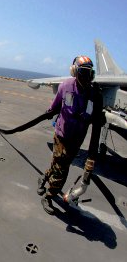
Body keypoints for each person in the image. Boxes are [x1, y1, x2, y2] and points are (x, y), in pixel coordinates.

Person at [37, 56, 102, 215]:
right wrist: (47, 114)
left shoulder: (95, 95)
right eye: (82, 72)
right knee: (62, 169)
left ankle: (44, 178)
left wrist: (92, 156)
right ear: (75, 72)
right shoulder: (65, 86)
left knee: (57, 163)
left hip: (77, 139)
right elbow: (54, 107)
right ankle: (48, 196)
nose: (86, 77)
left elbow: (96, 127)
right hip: (61, 135)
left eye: (89, 73)